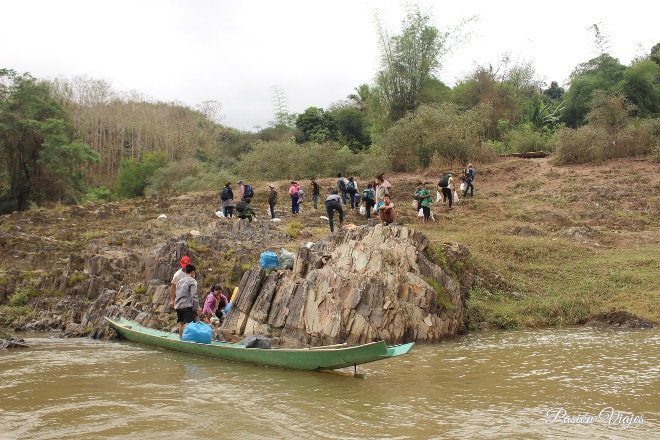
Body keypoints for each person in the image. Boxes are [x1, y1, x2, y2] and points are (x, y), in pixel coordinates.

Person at [174, 264, 198, 339]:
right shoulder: (192, 281)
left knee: (181, 323)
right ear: (193, 272)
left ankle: (181, 339)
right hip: (187, 305)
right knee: (193, 323)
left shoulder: (180, 281)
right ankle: (193, 340)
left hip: (178, 305)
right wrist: (196, 308)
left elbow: (177, 293)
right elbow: (193, 295)